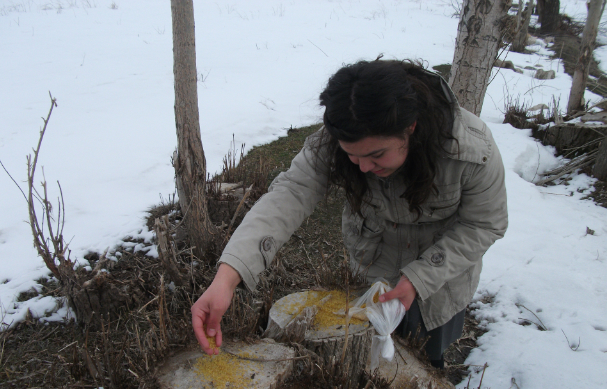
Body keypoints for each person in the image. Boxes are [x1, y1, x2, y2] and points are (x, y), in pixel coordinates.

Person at [191, 58, 508, 368]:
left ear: (410, 127)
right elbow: (288, 196)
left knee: (426, 364)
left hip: (440, 285)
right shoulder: (338, 139)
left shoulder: (471, 149)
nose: (365, 168)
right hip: (370, 274)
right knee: (363, 364)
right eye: (352, 157)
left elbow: (485, 223)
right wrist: (228, 276)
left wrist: (420, 278)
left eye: (376, 155)